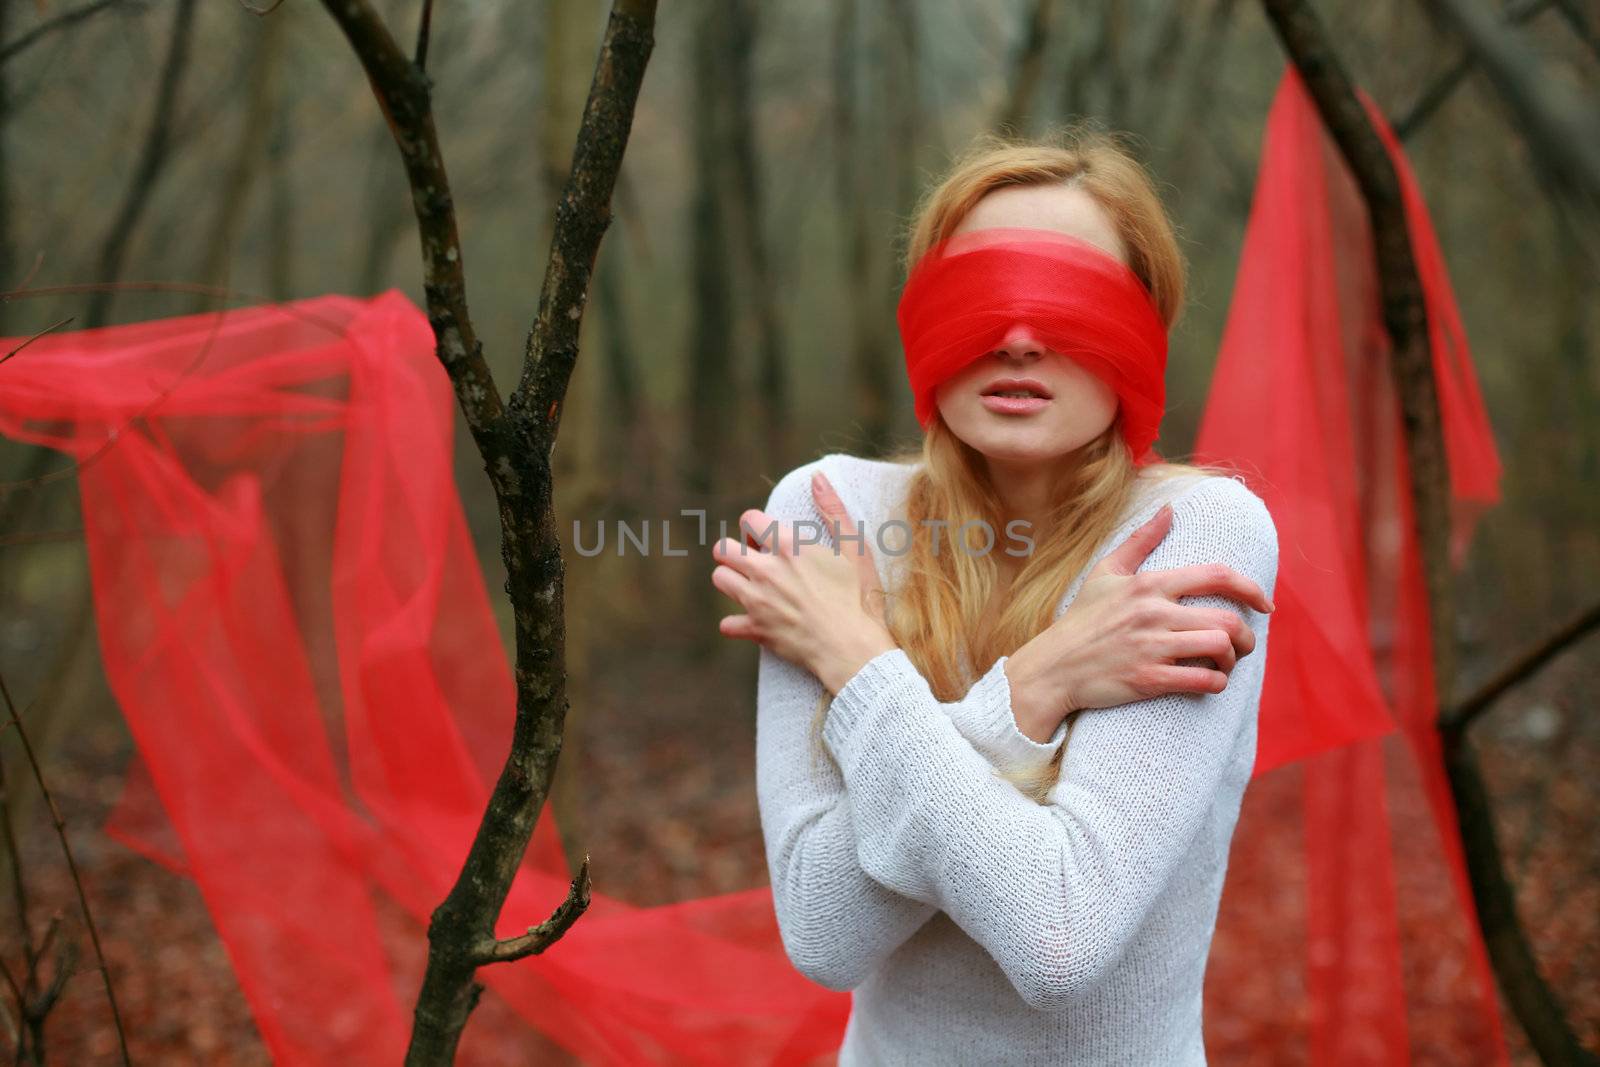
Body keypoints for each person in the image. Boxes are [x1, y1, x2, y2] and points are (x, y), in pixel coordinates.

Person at [708, 128, 1280, 1065]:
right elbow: (823, 931)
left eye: (1071, 295)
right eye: (980, 292)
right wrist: (1034, 689)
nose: (1018, 335)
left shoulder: (1199, 533)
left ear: (1143, 327)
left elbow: (1060, 934)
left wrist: (855, 659)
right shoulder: (830, 516)